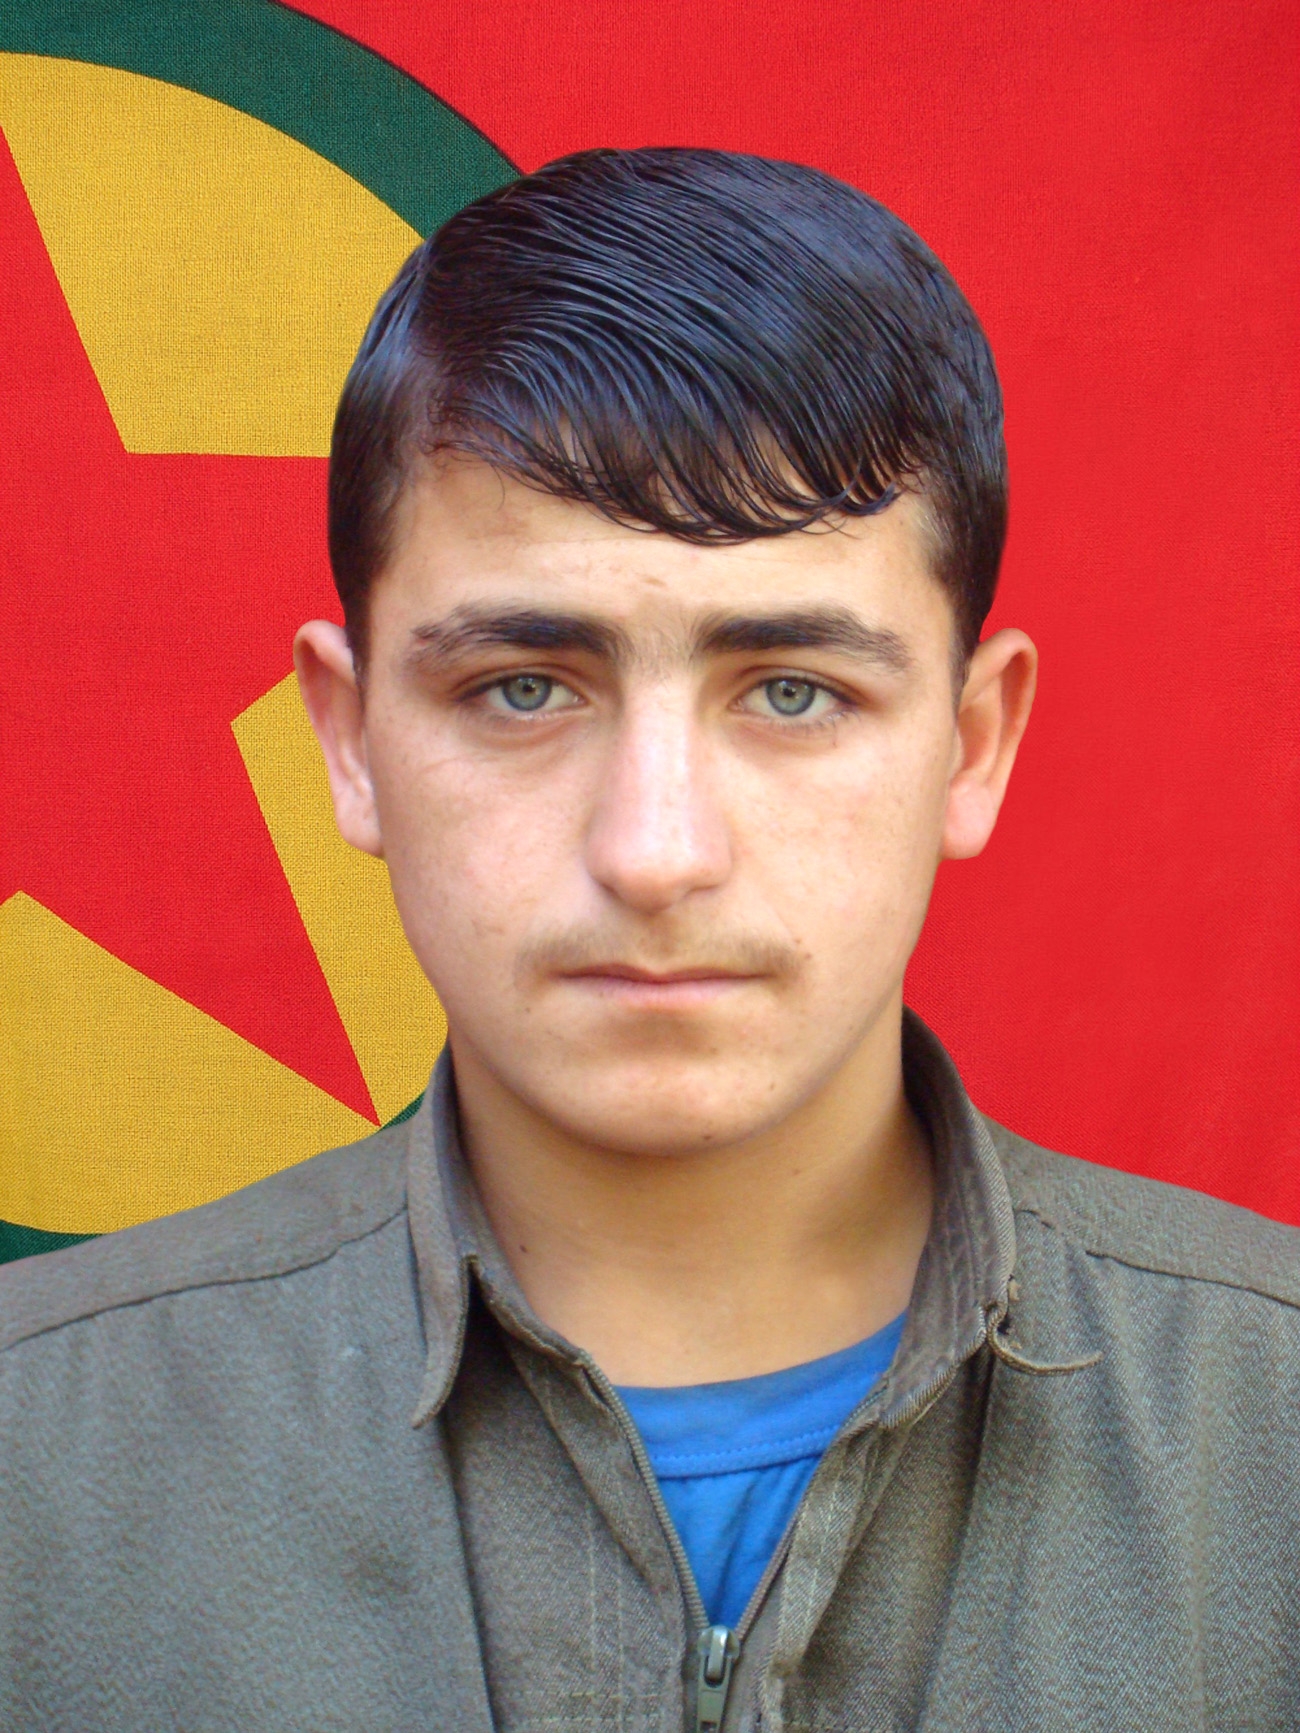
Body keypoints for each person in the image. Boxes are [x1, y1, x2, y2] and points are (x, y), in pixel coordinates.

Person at [2, 148, 1297, 1733]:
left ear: (973, 744)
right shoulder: (31, 1460)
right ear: (348, 740)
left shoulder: (1275, 1431)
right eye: (524, 688)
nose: (656, 850)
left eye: (794, 692)